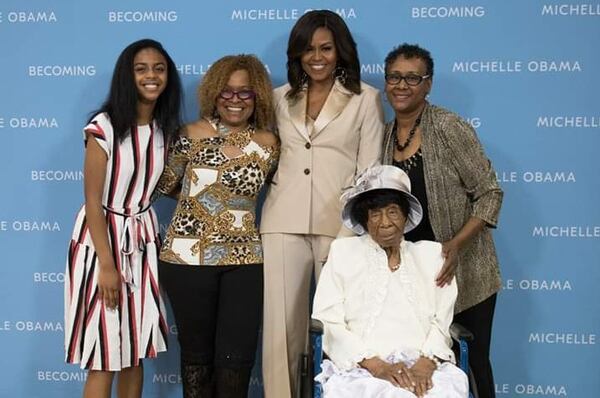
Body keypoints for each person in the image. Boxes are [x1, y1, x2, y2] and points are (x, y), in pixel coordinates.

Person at [260, 10, 384, 397]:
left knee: (343, 327)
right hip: (282, 222)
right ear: (296, 54)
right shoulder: (278, 100)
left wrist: (351, 232)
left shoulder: (366, 99)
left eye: (326, 48)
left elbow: (370, 173)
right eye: (308, 49)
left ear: (340, 51)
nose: (317, 56)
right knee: (282, 330)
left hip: (341, 228)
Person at [381, 43, 503, 398]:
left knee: (473, 362)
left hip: (466, 272)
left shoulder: (449, 127)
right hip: (417, 276)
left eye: (412, 78)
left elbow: (490, 192)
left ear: (428, 84)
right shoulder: (386, 135)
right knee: (425, 365)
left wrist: (455, 246)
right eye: (394, 77)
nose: (401, 86)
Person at [64, 38, 182, 398]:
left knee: (134, 352)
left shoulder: (164, 131)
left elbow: (164, 186)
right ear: (126, 76)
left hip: (142, 245)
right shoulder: (104, 127)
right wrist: (107, 265)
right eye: (141, 68)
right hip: (102, 243)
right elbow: (93, 200)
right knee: (103, 355)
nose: (151, 76)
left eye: (159, 69)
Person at [156, 54, 278, 398]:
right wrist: (199, 203)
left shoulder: (269, 143)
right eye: (227, 92)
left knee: (236, 360)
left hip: (244, 263)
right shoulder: (190, 134)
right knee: (197, 359)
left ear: (258, 98)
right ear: (213, 93)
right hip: (186, 261)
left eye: (245, 93)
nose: (235, 101)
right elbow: (165, 185)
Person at [312, 165, 468, 398]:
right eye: (375, 214)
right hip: (362, 368)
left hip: (423, 364)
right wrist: (377, 366)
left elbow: (442, 320)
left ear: (406, 217)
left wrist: (426, 363)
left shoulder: (431, 256)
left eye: (393, 212)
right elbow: (327, 320)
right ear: (365, 220)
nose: (384, 222)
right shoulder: (343, 252)